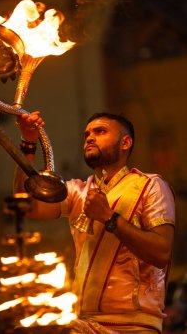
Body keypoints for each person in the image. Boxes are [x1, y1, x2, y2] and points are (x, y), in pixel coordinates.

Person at [13, 110, 175, 334]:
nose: (89, 138)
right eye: (87, 134)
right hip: (84, 323)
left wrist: (109, 218)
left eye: (100, 131)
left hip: (135, 325)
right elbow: (27, 205)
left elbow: (161, 253)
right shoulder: (78, 191)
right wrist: (28, 142)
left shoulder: (150, 186)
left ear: (125, 142)